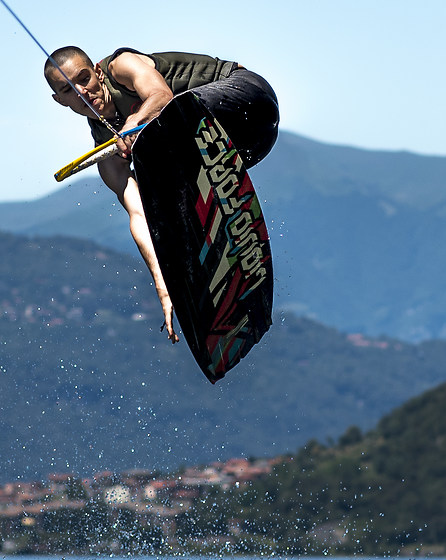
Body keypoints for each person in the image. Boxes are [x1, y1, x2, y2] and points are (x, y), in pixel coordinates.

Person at [44, 47, 279, 341]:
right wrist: (162, 282)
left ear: (98, 72)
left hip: (247, 98)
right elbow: (138, 213)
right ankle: (220, 271)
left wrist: (134, 124)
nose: (82, 92)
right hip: (247, 147)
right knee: (160, 201)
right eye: (68, 89)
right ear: (60, 100)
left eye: (84, 78)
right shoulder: (107, 154)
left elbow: (160, 96)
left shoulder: (121, 66)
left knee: (159, 135)